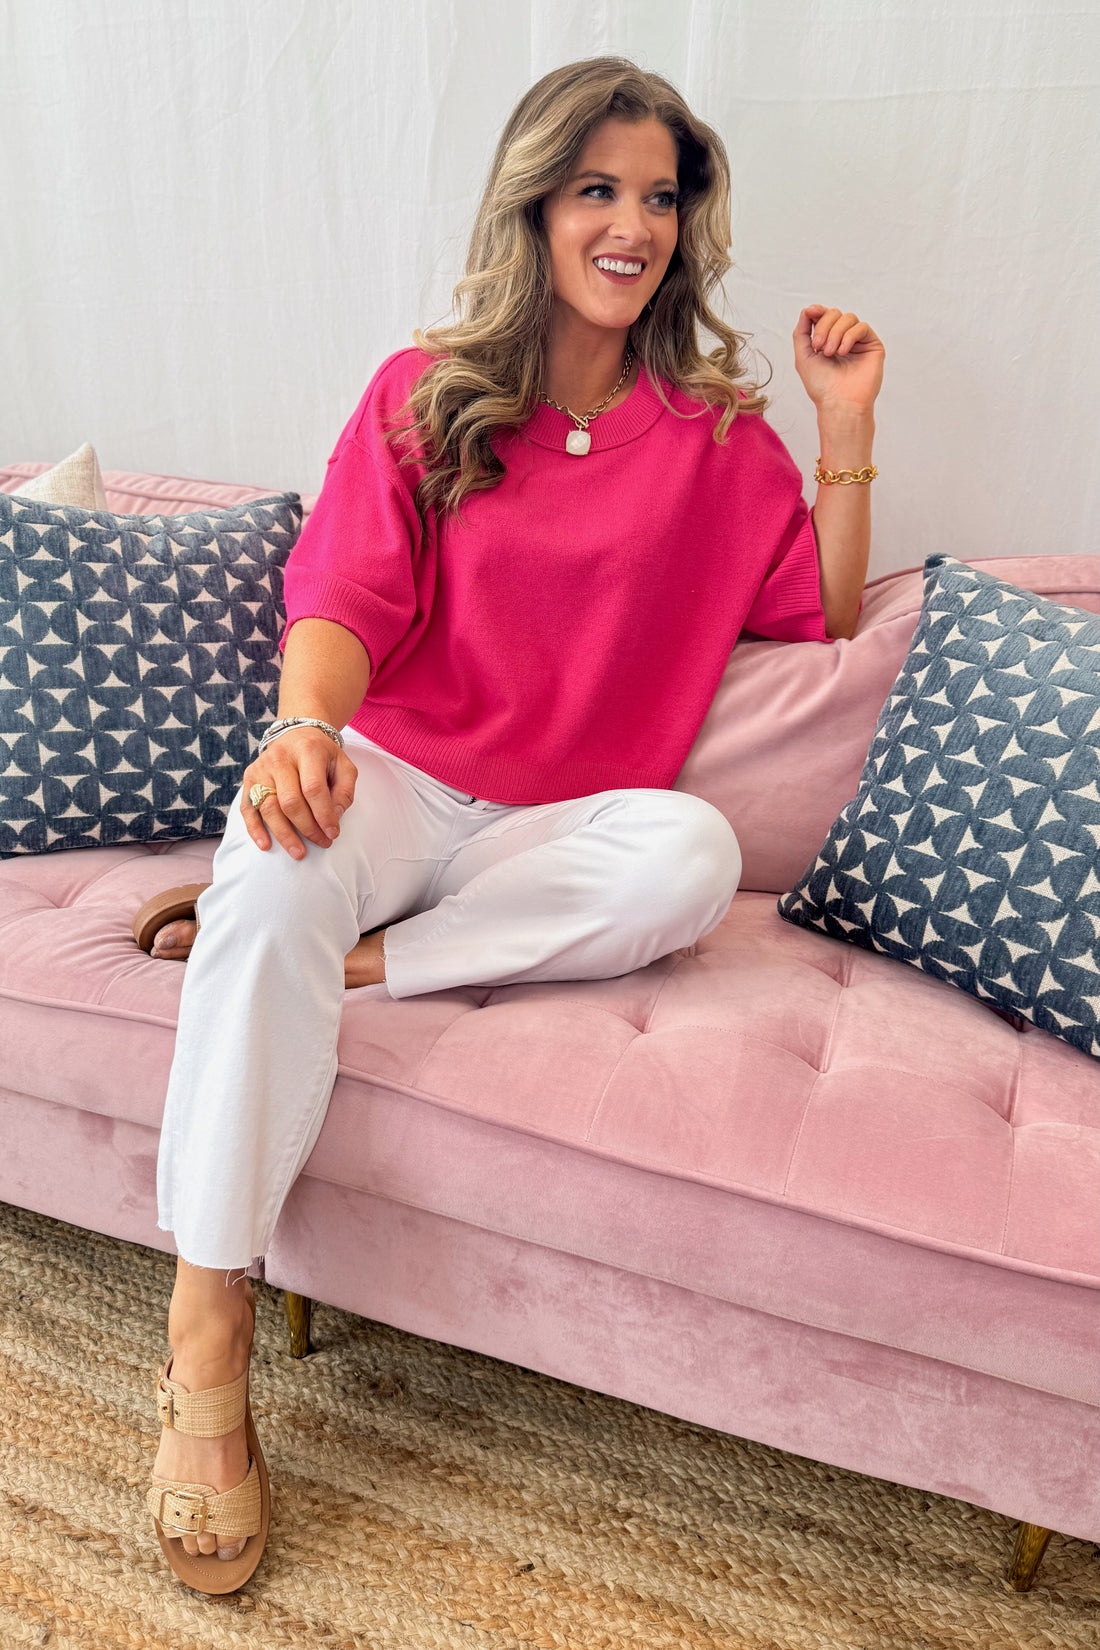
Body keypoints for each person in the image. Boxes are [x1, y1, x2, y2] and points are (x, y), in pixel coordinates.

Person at [142, 55, 885, 1592]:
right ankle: (206, 1335)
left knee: (692, 855)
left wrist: (845, 427)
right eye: (596, 190)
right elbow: (341, 595)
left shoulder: (714, 437)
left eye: (659, 197)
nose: (632, 225)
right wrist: (303, 730)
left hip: (564, 828)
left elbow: (816, 617)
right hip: (403, 778)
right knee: (282, 857)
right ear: (535, 207)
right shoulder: (428, 391)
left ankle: (326, 966)